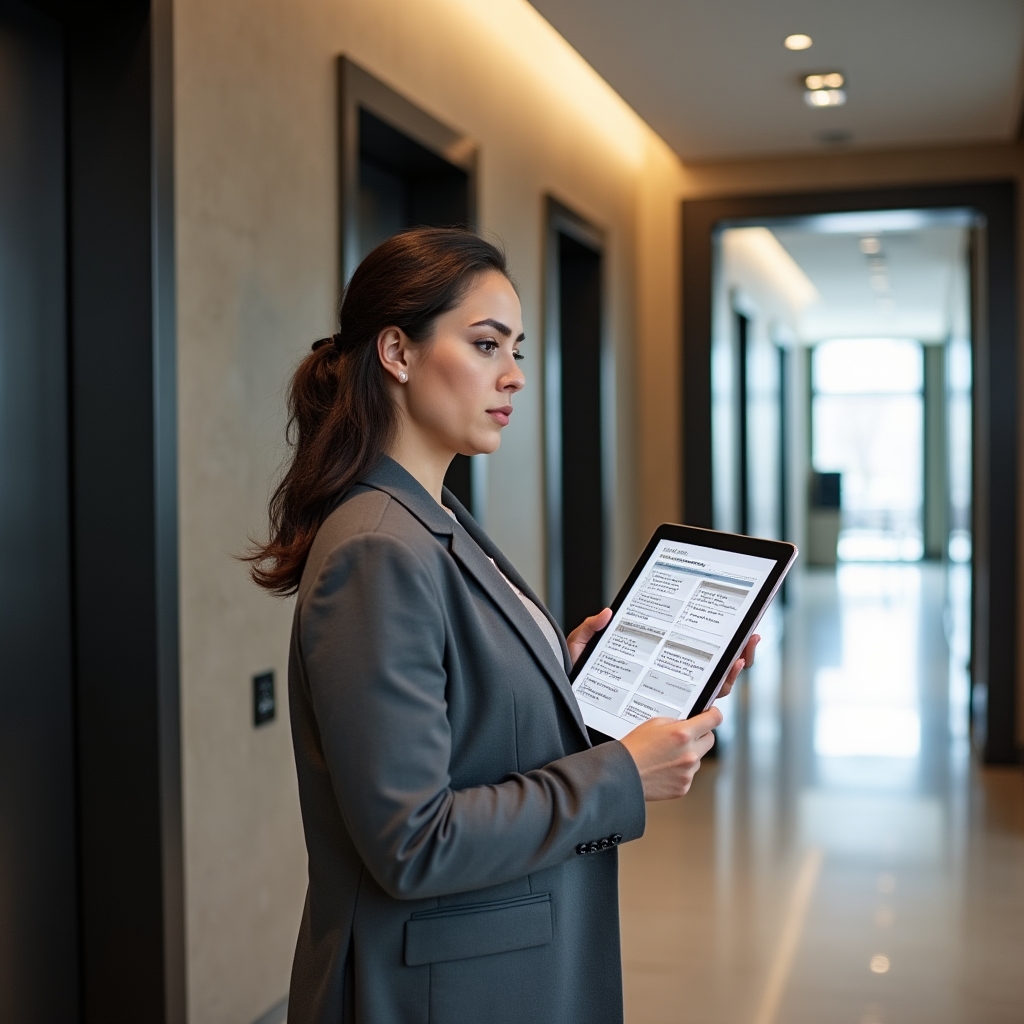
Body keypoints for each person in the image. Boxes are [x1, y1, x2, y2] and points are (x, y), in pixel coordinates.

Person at [249, 227, 757, 1024]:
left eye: (517, 349)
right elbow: (415, 841)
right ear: (398, 352)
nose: (515, 376)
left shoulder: (431, 516)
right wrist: (623, 774)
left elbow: (469, 714)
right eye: (486, 345)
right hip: (434, 989)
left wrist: (565, 668)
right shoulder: (378, 547)